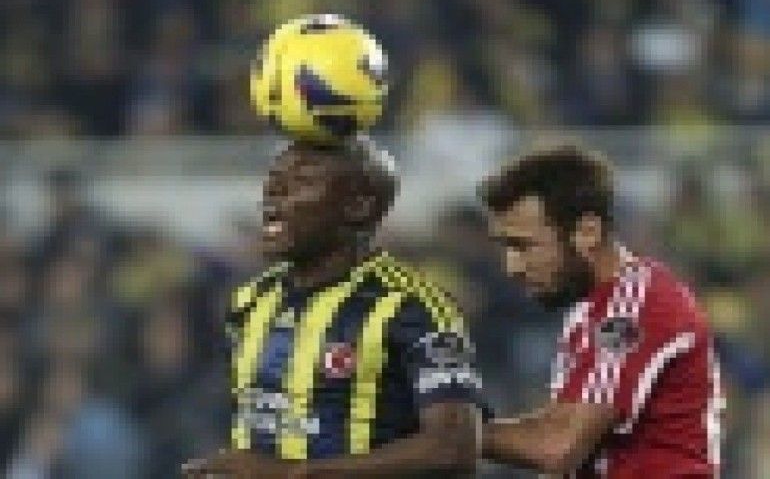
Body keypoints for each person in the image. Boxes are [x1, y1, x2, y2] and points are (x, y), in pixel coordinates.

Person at [182, 137, 483, 478]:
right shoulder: (250, 299)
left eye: (302, 181)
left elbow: (453, 448)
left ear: (358, 207)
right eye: (273, 180)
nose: (273, 194)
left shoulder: (412, 305)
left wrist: (293, 474)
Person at [478, 145, 724, 477]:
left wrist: (449, 433)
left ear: (588, 233)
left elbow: (557, 445)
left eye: (524, 246)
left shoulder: (634, 307)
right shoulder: (593, 309)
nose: (512, 267)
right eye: (506, 247)